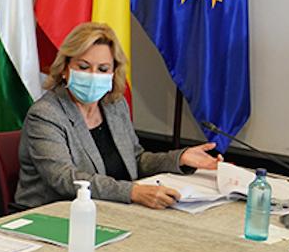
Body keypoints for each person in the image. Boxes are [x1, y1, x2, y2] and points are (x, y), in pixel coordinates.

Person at [14, 22, 221, 210]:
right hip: (53, 215)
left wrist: (180, 158)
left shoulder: (114, 105)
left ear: (114, 73)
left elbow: (136, 160)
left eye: (103, 69)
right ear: (65, 69)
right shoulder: (45, 114)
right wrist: (132, 192)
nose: (93, 75)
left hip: (110, 211)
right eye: (84, 67)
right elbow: (65, 179)